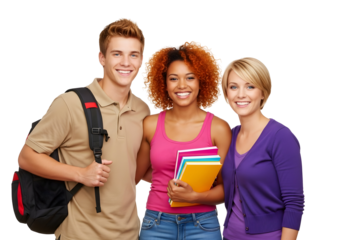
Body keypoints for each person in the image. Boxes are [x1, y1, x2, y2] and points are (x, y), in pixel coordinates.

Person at [17, 16, 151, 240]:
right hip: (80, 234)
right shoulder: (69, 103)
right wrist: (80, 174)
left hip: (131, 234)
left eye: (133, 55)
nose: (126, 63)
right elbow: (26, 157)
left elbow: (133, 174)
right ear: (102, 58)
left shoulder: (142, 109)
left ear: (141, 60)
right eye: (117, 54)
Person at [135, 39, 232, 240]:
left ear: (201, 81)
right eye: (173, 78)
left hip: (203, 224)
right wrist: (167, 182)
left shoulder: (219, 128)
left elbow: (227, 189)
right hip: (156, 223)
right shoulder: (150, 124)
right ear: (163, 83)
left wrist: (195, 196)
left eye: (190, 77)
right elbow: (136, 175)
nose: (181, 85)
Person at [220, 55, 305, 240]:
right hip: (228, 236)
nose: (241, 94)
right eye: (234, 87)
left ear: (263, 92)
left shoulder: (281, 137)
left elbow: (295, 203)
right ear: (226, 93)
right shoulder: (229, 135)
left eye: (250, 86)